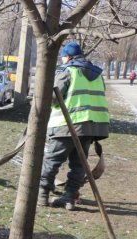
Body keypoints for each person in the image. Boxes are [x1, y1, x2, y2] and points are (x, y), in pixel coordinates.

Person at [38, 41, 110, 211]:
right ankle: (69, 198)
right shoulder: (98, 74)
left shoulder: (68, 71)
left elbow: (55, 98)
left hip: (66, 125)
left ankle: (42, 195)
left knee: (52, 161)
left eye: (63, 57)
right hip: (89, 127)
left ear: (68, 57)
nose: (62, 60)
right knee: (79, 165)